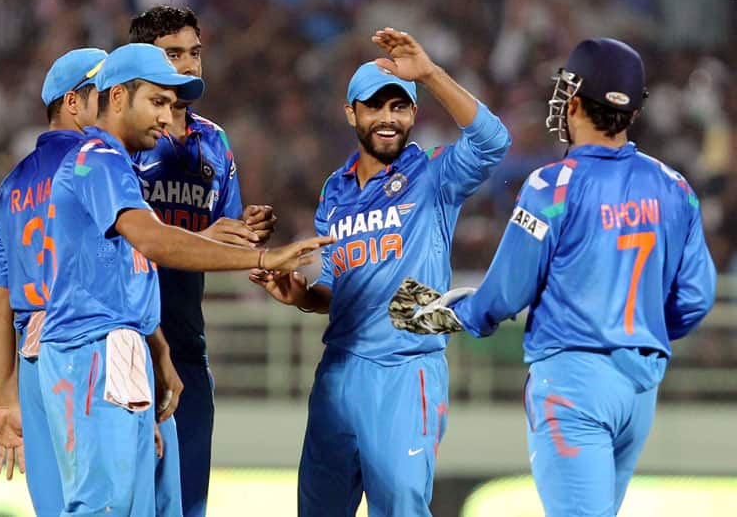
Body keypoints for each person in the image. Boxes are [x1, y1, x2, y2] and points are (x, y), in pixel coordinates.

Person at [402, 38, 717, 516]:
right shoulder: (674, 187)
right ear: (632, 112)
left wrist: (438, 313)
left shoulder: (553, 185)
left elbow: (504, 296)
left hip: (573, 386)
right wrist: (634, 331)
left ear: (573, 101)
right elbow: (696, 297)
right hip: (641, 388)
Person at [37, 42, 332, 516]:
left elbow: (124, 269)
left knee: (150, 506)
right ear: (117, 99)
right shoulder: (96, 158)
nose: (168, 116)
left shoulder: (120, 167)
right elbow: (153, 242)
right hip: (88, 353)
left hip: (125, 346)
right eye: (157, 101)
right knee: (103, 507)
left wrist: (156, 349)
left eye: (173, 104)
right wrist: (264, 256)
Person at [251, 28, 511, 516]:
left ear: (414, 113)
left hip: (405, 368)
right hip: (338, 372)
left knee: (401, 509)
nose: (387, 118)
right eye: (375, 107)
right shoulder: (335, 190)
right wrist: (302, 295)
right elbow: (335, 285)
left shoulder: (434, 173)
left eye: (399, 106)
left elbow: (494, 142)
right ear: (352, 113)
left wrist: (429, 73)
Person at [128, 5, 276, 517]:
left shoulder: (215, 141)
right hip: (125, 344)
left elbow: (223, 238)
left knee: (188, 505)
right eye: (174, 54)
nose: (189, 65)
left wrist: (247, 236)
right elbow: (108, 242)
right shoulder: (116, 145)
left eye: (195, 53)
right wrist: (203, 235)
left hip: (186, 347)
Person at [0, 47, 107, 516]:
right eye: (105, 93)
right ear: (73, 103)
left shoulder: (10, 185)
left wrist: (4, 396)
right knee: (104, 499)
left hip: (31, 360)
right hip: (85, 343)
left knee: (55, 506)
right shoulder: (100, 164)